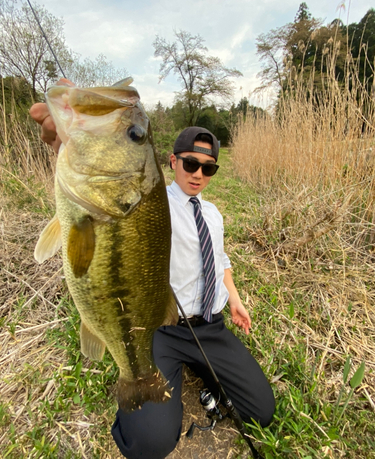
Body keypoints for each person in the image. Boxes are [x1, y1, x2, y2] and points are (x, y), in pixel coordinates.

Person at [30, 92, 275, 459]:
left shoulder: (214, 214)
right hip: (161, 330)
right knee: (150, 444)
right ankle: (152, 384)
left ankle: (206, 371)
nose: (197, 174)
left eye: (209, 168)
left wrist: (235, 300)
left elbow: (220, 259)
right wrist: (68, 141)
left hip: (211, 326)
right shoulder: (150, 198)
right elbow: (113, 192)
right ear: (173, 161)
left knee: (262, 413)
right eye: (191, 163)